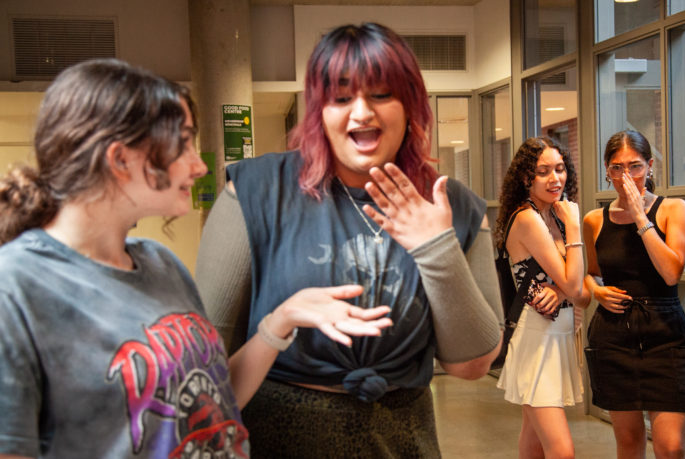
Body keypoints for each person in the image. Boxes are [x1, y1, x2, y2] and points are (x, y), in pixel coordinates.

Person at [0, 58, 392, 458]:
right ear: (119, 159)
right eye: (183, 143)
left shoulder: (159, 263)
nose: (199, 165)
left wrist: (281, 320)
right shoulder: (16, 287)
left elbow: (215, 401)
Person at [195, 23, 503, 457]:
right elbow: (201, 378)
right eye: (341, 98)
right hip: (278, 439)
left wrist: (437, 250)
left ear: (410, 104)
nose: (362, 113)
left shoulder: (450, 204)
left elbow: (473, 365)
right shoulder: (255, 192)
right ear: (318, 111)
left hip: (402, 442)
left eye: (381, 95)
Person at [582, 130, 685, 459]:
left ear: (650, 165)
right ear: (607, 170)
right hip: (614, 332)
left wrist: (641, 217)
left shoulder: (673, 209)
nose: (626, 176)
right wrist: (597, 291)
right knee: (629, 443)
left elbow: (671, 273)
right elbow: (590, 272)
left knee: (670, 447)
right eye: (617, 168)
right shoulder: (594, 219)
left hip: (664, 330)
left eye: (635, 166)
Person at [493, 136, 590, 458]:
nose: (555, 178)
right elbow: (576, 286)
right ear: (526, 178)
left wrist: (562, 290)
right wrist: (575, 228)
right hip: (537, 337)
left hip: (559, 335)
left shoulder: (555, 217)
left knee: (533, 441)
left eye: (560, 169)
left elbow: (582, 291)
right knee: (562, 450)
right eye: (543, 171)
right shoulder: (528, 218)